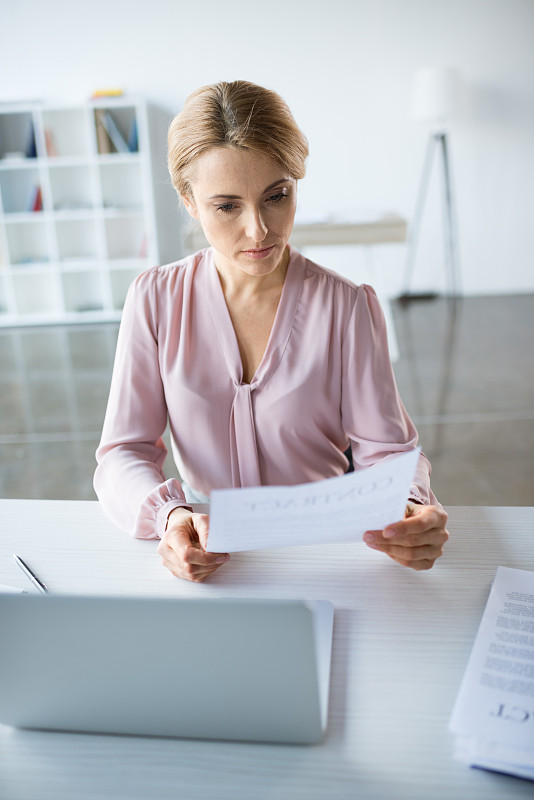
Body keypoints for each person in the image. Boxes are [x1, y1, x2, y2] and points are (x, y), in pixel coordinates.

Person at [94, 80, 449, 583]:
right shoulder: (155, 299)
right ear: (189, 201)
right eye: (227, 206)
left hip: (329, 557)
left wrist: (409, 507)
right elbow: (123, 452)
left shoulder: (348, 307)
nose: (259, 229)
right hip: (211, 560)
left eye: (276, 196)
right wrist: (171, 518)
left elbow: (388, 455)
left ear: (296, 182)